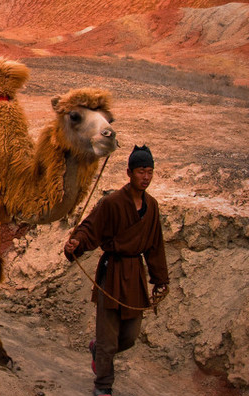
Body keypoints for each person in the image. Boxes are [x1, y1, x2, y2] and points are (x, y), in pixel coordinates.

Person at [63, 145, 169, 396]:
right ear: (129, 173)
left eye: (150, 172)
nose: (146, 177)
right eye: (141, 171)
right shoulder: (111, 202)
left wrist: (160, 279)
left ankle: (97, 350)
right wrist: (76, 243)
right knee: (109, 338)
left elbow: (155, 245)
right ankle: (103, 387)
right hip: (111, 274)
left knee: (130, 336)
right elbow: (90, 228)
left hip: (135, 275)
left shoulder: (151, 207)